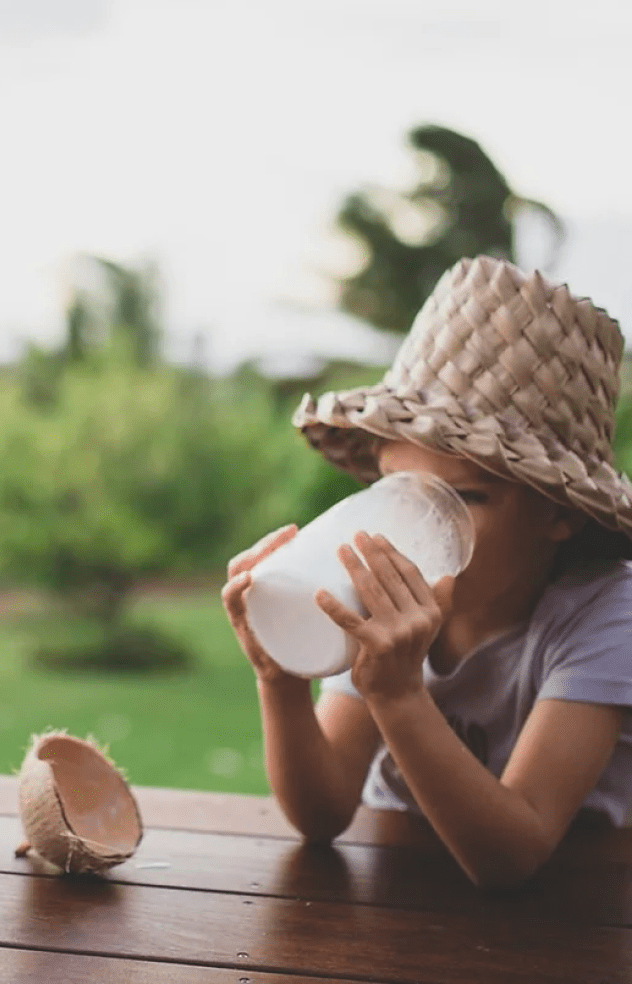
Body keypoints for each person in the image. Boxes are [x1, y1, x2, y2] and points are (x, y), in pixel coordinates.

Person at [221, 255, 632, 888]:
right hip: (399, 898)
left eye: (465, 498)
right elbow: (324, 814)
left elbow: (513, 856)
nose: (417, 526)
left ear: (560, 516)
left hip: (571, 912)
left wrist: (399, 693)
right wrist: (278, 681)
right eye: (397, 486)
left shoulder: (604, 615)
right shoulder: (375, 603)